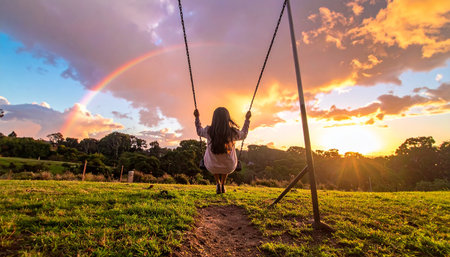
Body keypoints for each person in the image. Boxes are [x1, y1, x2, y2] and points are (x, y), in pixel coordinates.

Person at [194, 107, 251, 194]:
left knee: (215, 162)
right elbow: (244, 134)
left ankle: (218, 184)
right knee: (225, 162)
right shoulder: (233, 132)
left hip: (211, 166)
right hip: (229, 166)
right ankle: (223, 185)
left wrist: (197, 117)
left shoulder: (208, 131)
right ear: (227, 118)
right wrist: (247, 120)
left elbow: (199, 131)